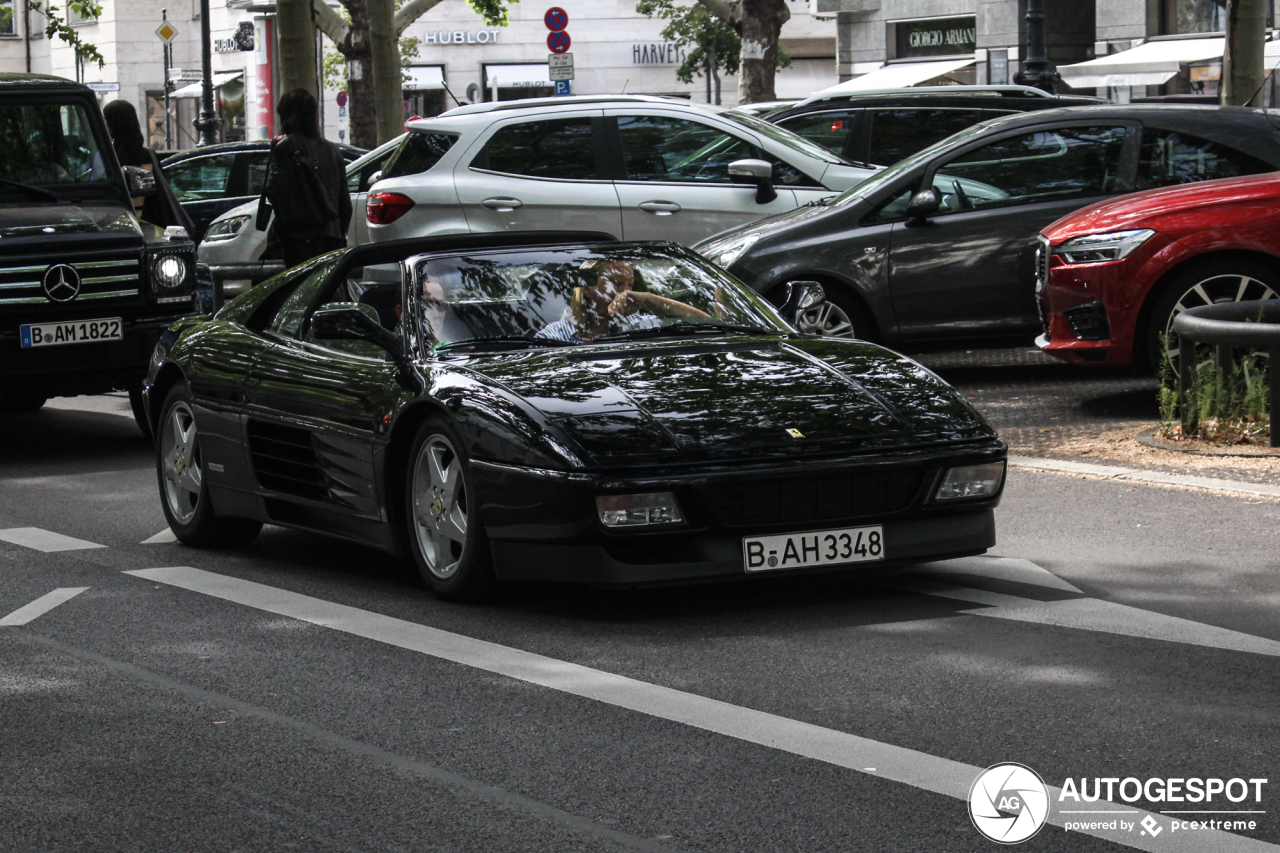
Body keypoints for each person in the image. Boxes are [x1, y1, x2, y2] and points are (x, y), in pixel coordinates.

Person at [262, 89, 352, 269]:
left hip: (299, 239)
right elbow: (345, 203)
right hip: (331, 237)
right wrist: (339, 233)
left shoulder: (286, 147)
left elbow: (276, 194)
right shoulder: (333, 151)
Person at [537, 259, 708, 343]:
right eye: (616, 283)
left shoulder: (642, 326)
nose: (625, 292)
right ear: (587, 287)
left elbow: (706, 322)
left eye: (630, 285)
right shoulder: (551, 339)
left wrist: (648, 299)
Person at [101, 99, 194, 233]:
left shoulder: (111, 155)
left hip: (127, 223)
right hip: (151, 222)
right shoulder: (146, 154)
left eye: (106, 120)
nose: (104, 124)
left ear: (114, 123)